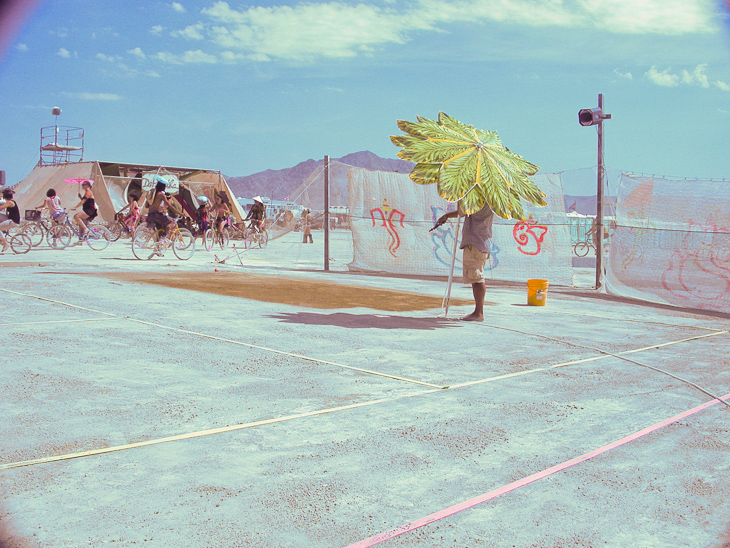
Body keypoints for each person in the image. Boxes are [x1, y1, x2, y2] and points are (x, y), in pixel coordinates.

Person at [435, 202, 495, 321]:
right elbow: (464, 211)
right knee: (476, 277)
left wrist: (460, 198)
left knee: (477, 277)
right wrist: (446, 216)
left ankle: (479, 313)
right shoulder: (491, 199)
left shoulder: (480, 200)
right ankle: (478, 312)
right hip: (481, 242)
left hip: (475, 243)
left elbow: (463, 210)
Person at [0, 188, 21, 252]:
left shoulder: (10, 202)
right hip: (10, 219)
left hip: (13, 222)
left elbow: (1, 207)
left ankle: (6, 244)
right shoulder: (9, 202)